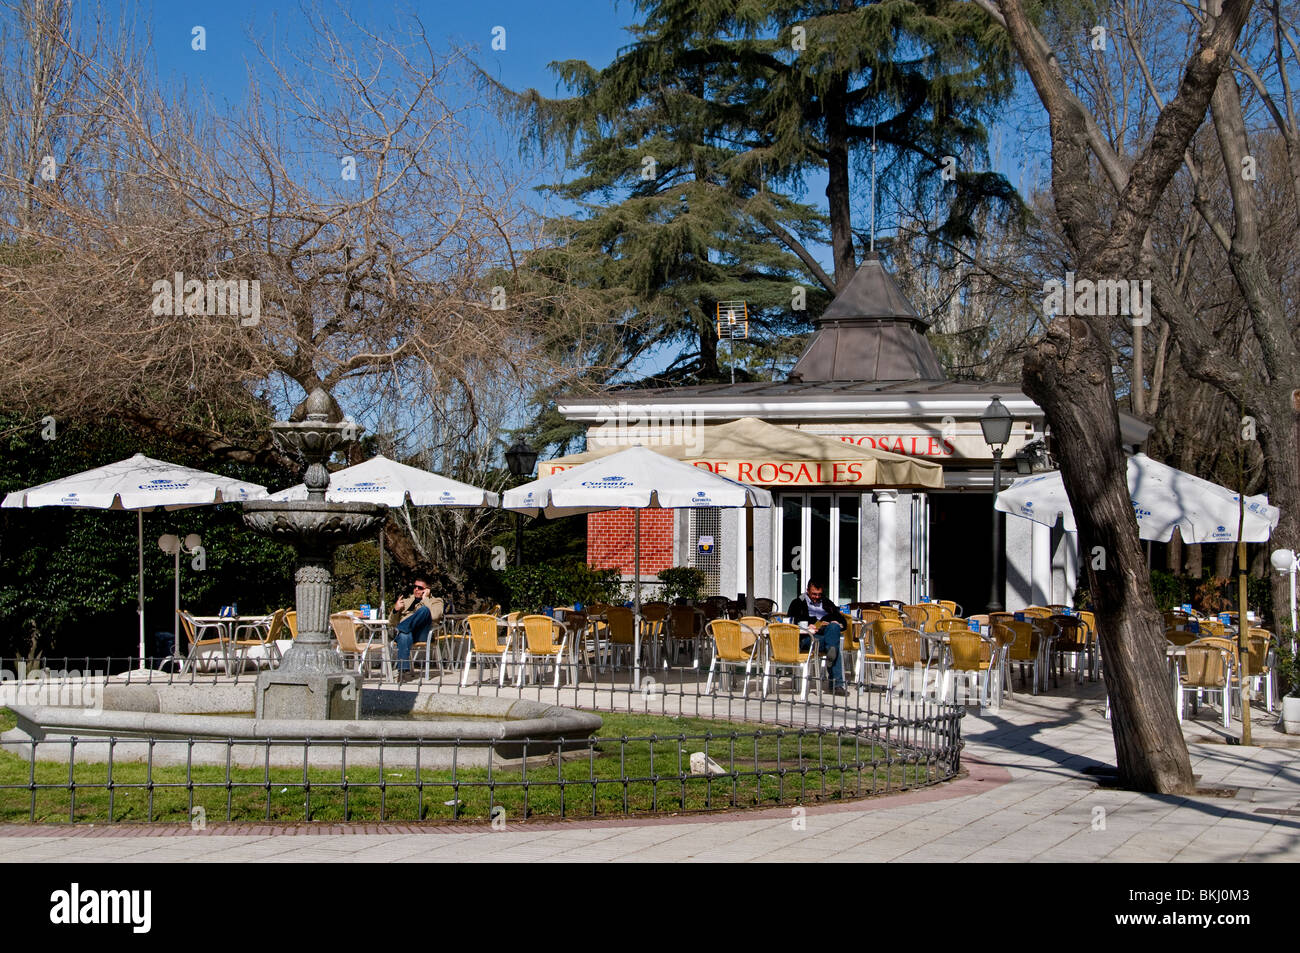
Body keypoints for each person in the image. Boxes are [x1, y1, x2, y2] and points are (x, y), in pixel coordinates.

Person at [785, 580, 848, 694]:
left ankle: (831, 652)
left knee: (833, 629)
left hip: (826, 634)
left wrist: (834, 622)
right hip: (808, 637)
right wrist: (809, 624)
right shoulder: (797, 603)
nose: (816, 597)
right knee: (833, 646)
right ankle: (837, 685)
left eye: (819, 594)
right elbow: (791, 622)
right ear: (807, 591)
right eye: (814, 594)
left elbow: (843, 622)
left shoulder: (827, 603)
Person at [389, 577, 444, 681]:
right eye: (415, 587)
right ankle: (402, 673)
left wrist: (425, 599)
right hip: (409, 633)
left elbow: (435, 616)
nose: (416, 589)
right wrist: (395, 610)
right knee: (405, 635)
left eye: (420, 587)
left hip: (423, 633)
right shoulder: (406, 601)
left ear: (427, 589)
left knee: (424, 610)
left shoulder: (436, 601)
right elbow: (391, 622)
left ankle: (401, 629)